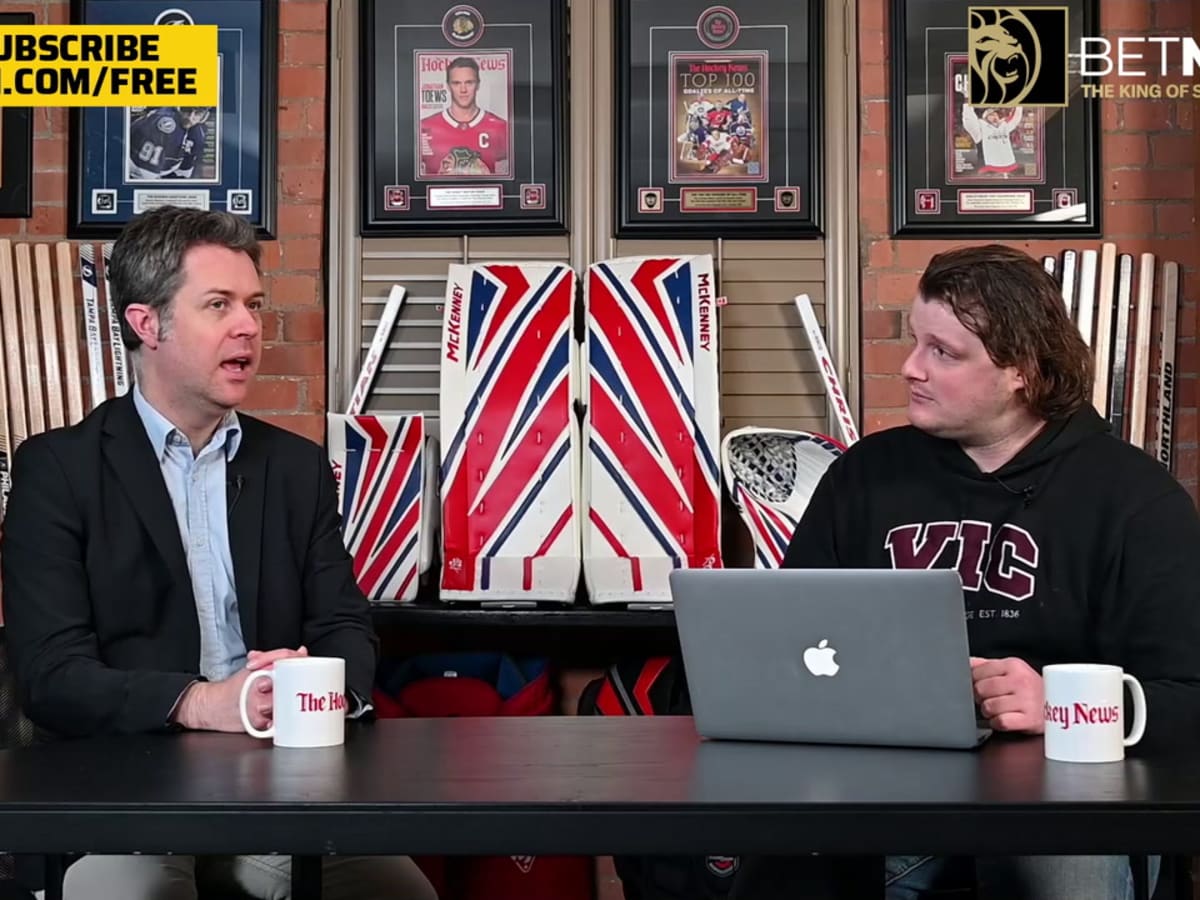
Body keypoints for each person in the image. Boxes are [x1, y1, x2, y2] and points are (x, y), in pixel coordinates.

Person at [0, 207, 437, 900]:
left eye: (254, 306)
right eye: (218, 305)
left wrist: (315, 684)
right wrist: (201, 703)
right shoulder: (58, 470)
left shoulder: (294, 469)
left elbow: (346, 629)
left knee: (399, 892)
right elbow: (51, 675)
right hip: (124, 785)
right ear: (147, 325)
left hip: (279, 783)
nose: (249, 327)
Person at [782, 244, 1200, 899]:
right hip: (893, 778)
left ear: (1023, 372)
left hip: (1066, 790)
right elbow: (789, 643)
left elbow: (1189, 693)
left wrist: (1059, 706)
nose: (911, 368)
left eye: (943, 353)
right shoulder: (864, 477)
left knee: (1071, 876)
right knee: (787, 861)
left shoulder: (1135, 500)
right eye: (917, 342)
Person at [419, 57, 508, 177]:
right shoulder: (424, 127)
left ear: (478, 85)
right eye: (456, 83)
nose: (463, 89)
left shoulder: (500, 127)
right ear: (448, 86)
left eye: (469, 82)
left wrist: (486, 176)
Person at [128, 106, 212, 180]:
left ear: (204, 116)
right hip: (135, 167)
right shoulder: (165, 122)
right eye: (187, 109)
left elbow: (182, 172)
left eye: (198, 113)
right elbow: (144, 173)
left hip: (163, 170)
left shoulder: (197, 134)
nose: (190, 118)